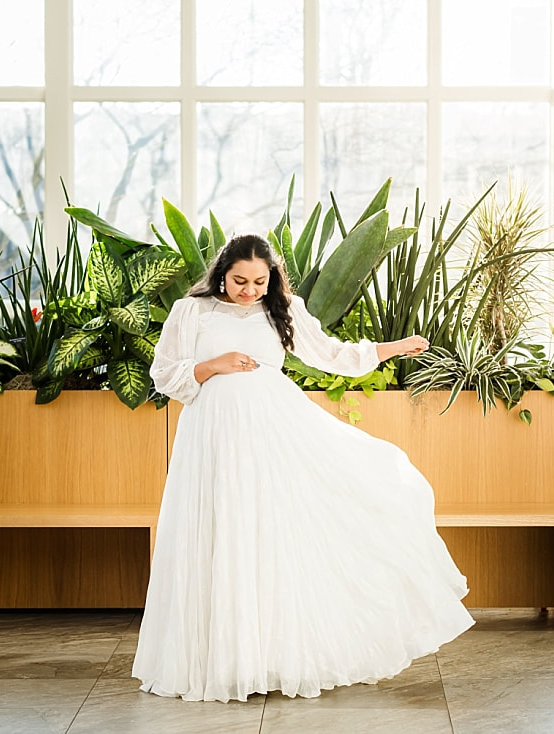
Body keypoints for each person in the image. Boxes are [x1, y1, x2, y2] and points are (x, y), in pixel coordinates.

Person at [132, 233, 474, 703]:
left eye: (259, 281)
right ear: (221, 274)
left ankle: (273, 658)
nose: (249, 290)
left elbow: (331, 355)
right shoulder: (191, 312)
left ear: (271, 277)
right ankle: (221, 660)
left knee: (271, 536)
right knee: (216, 533)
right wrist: (212, 365)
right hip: (211, 439)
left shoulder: (285, 309)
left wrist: (392, 347)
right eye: (238, 281)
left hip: (274, 433)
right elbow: (164, 373)